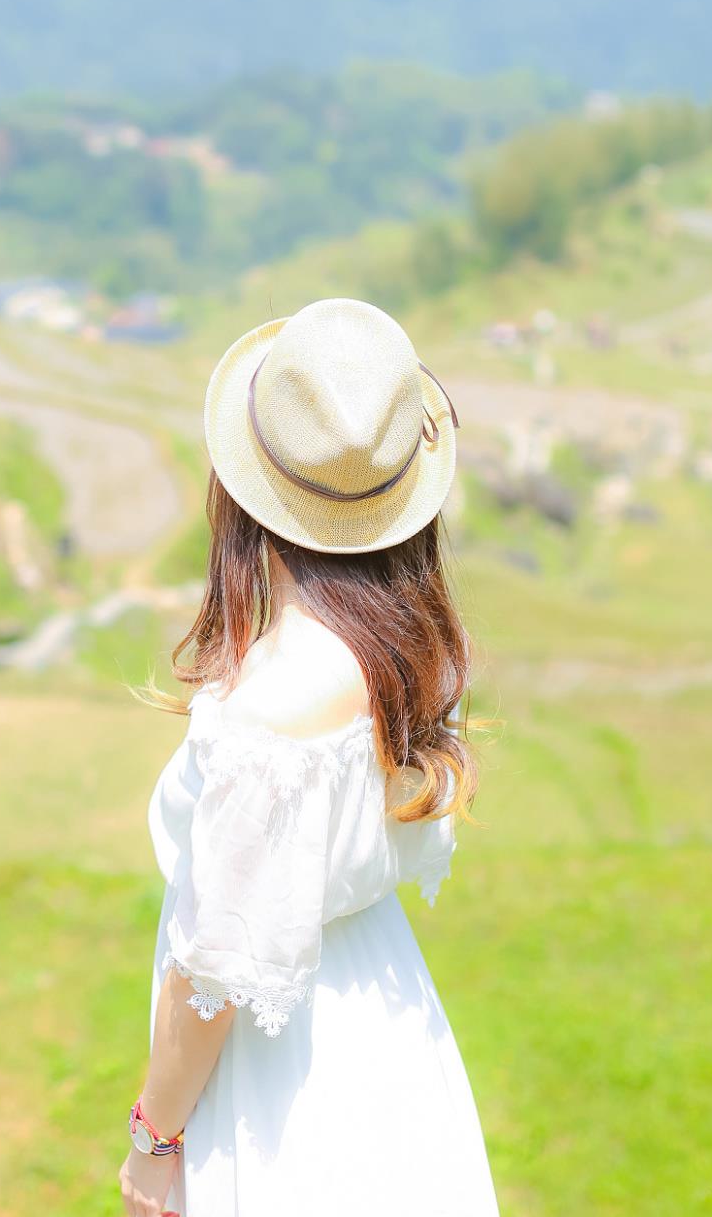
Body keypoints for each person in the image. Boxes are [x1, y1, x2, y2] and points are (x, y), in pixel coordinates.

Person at [119, 297, 501, 1216]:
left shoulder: (278, 705)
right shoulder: (407, 647)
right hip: (384, 1025)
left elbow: (216, 971)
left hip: (283, 1080)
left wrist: (154, 1139)